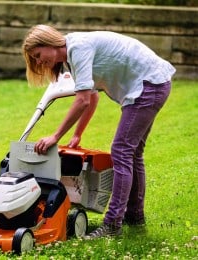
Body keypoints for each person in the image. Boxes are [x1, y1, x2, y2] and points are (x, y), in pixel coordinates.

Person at [22, 24, 176, 238]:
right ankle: (135, 217)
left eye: (38, 55)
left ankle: (113, 224)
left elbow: (82, 100)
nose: (39, 62)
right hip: (153, 83)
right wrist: (77, 134)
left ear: (49, 42)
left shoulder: (78, 48)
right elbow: (91, 96)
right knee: (132, 153)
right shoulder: (71, 55)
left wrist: (55, 136)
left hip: (148, 85)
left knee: (122, 151)